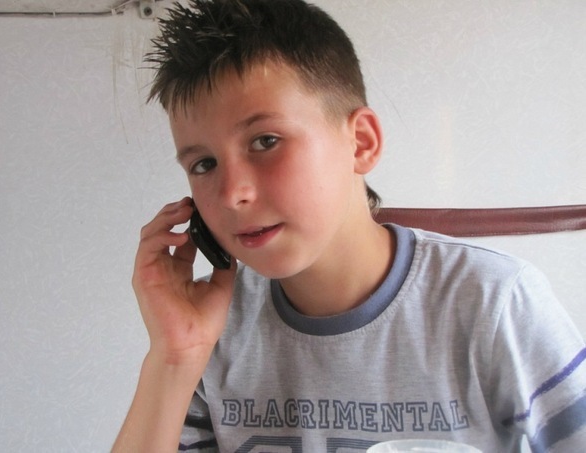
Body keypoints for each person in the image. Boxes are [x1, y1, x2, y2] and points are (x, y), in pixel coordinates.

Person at [113, 1, 586, 451]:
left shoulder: (493, 302)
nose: (232, 193)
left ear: (360, 143)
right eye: (204, 164)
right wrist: (175, 357)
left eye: (266, 141)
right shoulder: (214, 328)